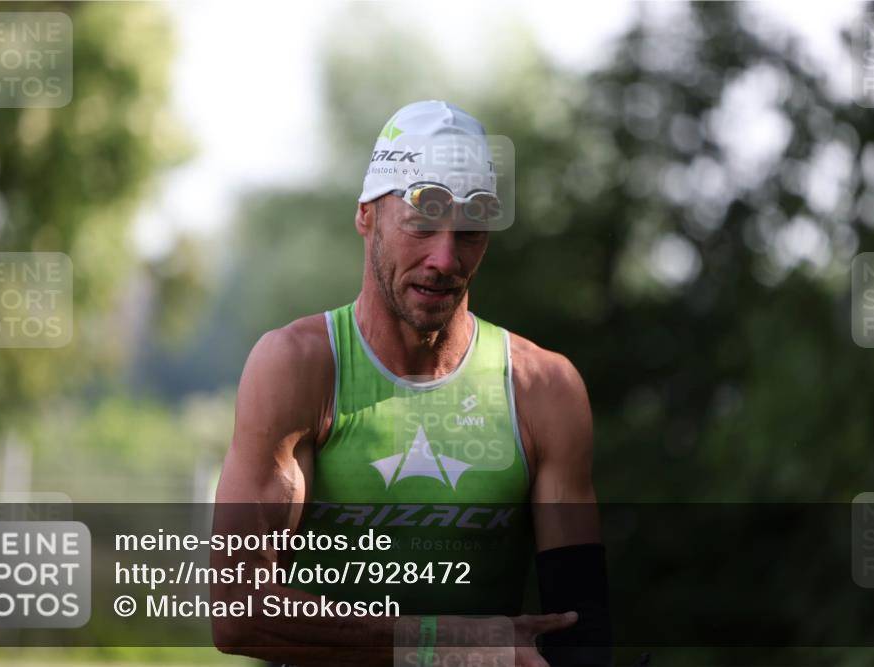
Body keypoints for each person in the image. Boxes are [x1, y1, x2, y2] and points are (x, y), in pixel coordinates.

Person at [212, 100, 611, 667]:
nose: (445, 259)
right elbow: (237, 615)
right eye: (422, 225)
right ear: (366, 215)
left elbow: (580, 633)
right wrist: (448, 644)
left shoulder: (543, 387)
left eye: (470, 232)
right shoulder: (300, 366)